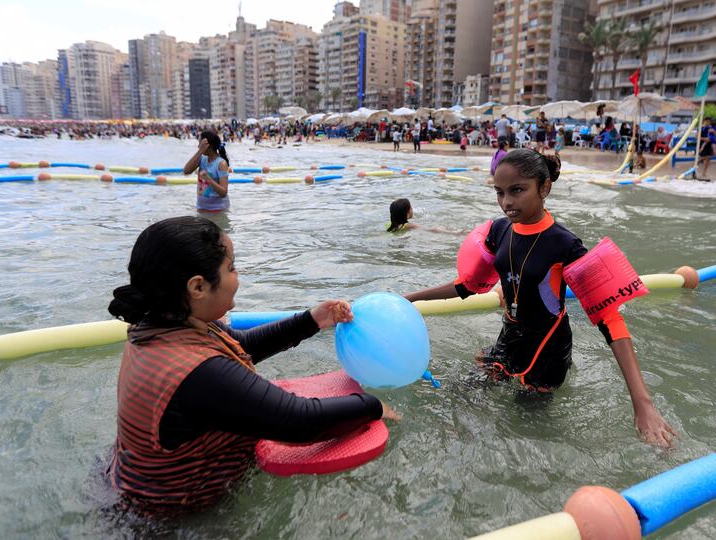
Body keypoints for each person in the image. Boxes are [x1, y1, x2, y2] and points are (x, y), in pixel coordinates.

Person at [107, 216, 399, 510]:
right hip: (172, 519)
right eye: (231, 267)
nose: (237, 275)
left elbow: (240, 346)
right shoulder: (198, 373)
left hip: (129, 485)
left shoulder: (163, 324)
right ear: (198, 287)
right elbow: (302, 421)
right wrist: (371, 406)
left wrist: (313, 319)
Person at [403, 149, 675, 448]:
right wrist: (410, 298)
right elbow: (468, 286)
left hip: (548, 351)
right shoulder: (499, 230)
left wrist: (642, 403)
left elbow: (610, 319)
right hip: (510, 337)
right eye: (500, 192)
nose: (507, 202)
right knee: (460, 395)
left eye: (517, 190)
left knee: (524, 430)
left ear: (544, 188)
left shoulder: (566, 245)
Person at [183, 131, 230, 212]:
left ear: (208, 146)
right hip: (201, 207)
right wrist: (200, 151)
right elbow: (186, 171)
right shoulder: (202, 159)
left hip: (218, 210)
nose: (198, 146)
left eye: (200, 145)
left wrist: (209, 180)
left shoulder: (221, 164)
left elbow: (223, 193)